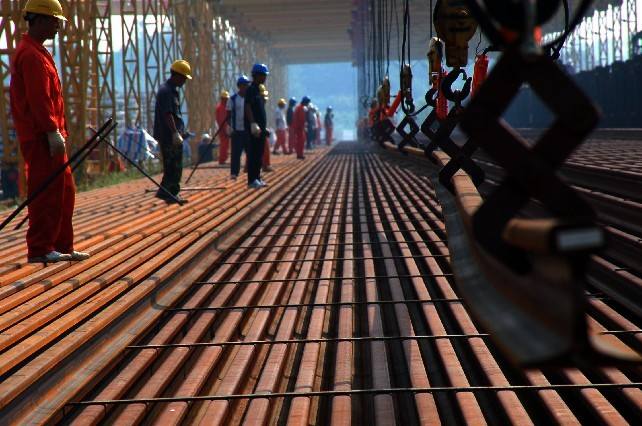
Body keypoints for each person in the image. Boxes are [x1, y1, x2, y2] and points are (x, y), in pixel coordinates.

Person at [10, 0, 89, 263]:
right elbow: (39, 99)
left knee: (64, 191)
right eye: (55, 21)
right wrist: (50, 130)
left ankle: (62, 245)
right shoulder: (31, 56)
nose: (58, 27)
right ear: (41, 19)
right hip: (41, 136)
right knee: (46, 193)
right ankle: (40, 248)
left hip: (51, 134)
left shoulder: (39, 51)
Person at [153, 59, 192, 204]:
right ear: (177, 75)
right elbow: (168, 114)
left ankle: (169, 192)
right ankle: (168, 193)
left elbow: (175, 115)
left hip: (173, 134)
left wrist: (181, 132)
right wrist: (175, 132)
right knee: (173, 166)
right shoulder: (166, 91)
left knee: (175, 166)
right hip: (168, 135)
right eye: (184, 78)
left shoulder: (172, 91)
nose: (184, 81)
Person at [244, 63, 269, 189]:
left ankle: (257, 178)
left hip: (260, 129)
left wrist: (264, 128)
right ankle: (252, 180)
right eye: (263, 75)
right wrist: (253, 123)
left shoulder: (259, 90)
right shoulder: (251, 90)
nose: (265, 78)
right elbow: (248, 106)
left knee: (259, 154)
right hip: (254, 129)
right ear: (256, 75)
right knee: (253, 154)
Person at [227, 75, 250, 180]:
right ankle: (234, 173)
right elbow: (228, 115)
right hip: (236, 131)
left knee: (250, 152)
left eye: (247, 85)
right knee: (236, 153)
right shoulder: (232, 99)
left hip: (247, 130)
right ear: (239, 86)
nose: (246, 87)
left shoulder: (249, 99)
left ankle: (252, 171)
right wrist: (230, 127)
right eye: (244, 85)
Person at [215, 90, 230, 165]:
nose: (227, 100)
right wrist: (226, 129)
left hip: (223, 128)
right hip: (223, 129)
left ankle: (223, 158)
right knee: (224, 144)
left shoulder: (222, 106)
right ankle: (222, 159)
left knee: (225, 144)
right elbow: (222, 120)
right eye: (226, 99)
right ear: (222, 99)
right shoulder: (221, 107)